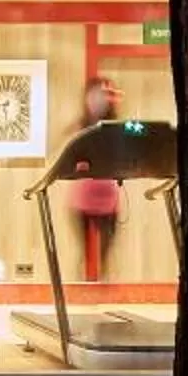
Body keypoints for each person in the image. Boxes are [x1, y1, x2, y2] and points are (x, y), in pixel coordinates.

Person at [68, 76, 125, 284]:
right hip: (84, 194)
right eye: (95, 95)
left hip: (108, 195)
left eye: (104, 95)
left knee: (107, 250)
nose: (99, 100)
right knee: (85, 250)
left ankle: (104, 282)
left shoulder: (115, 126)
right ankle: (85, 284)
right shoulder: (81, 125)